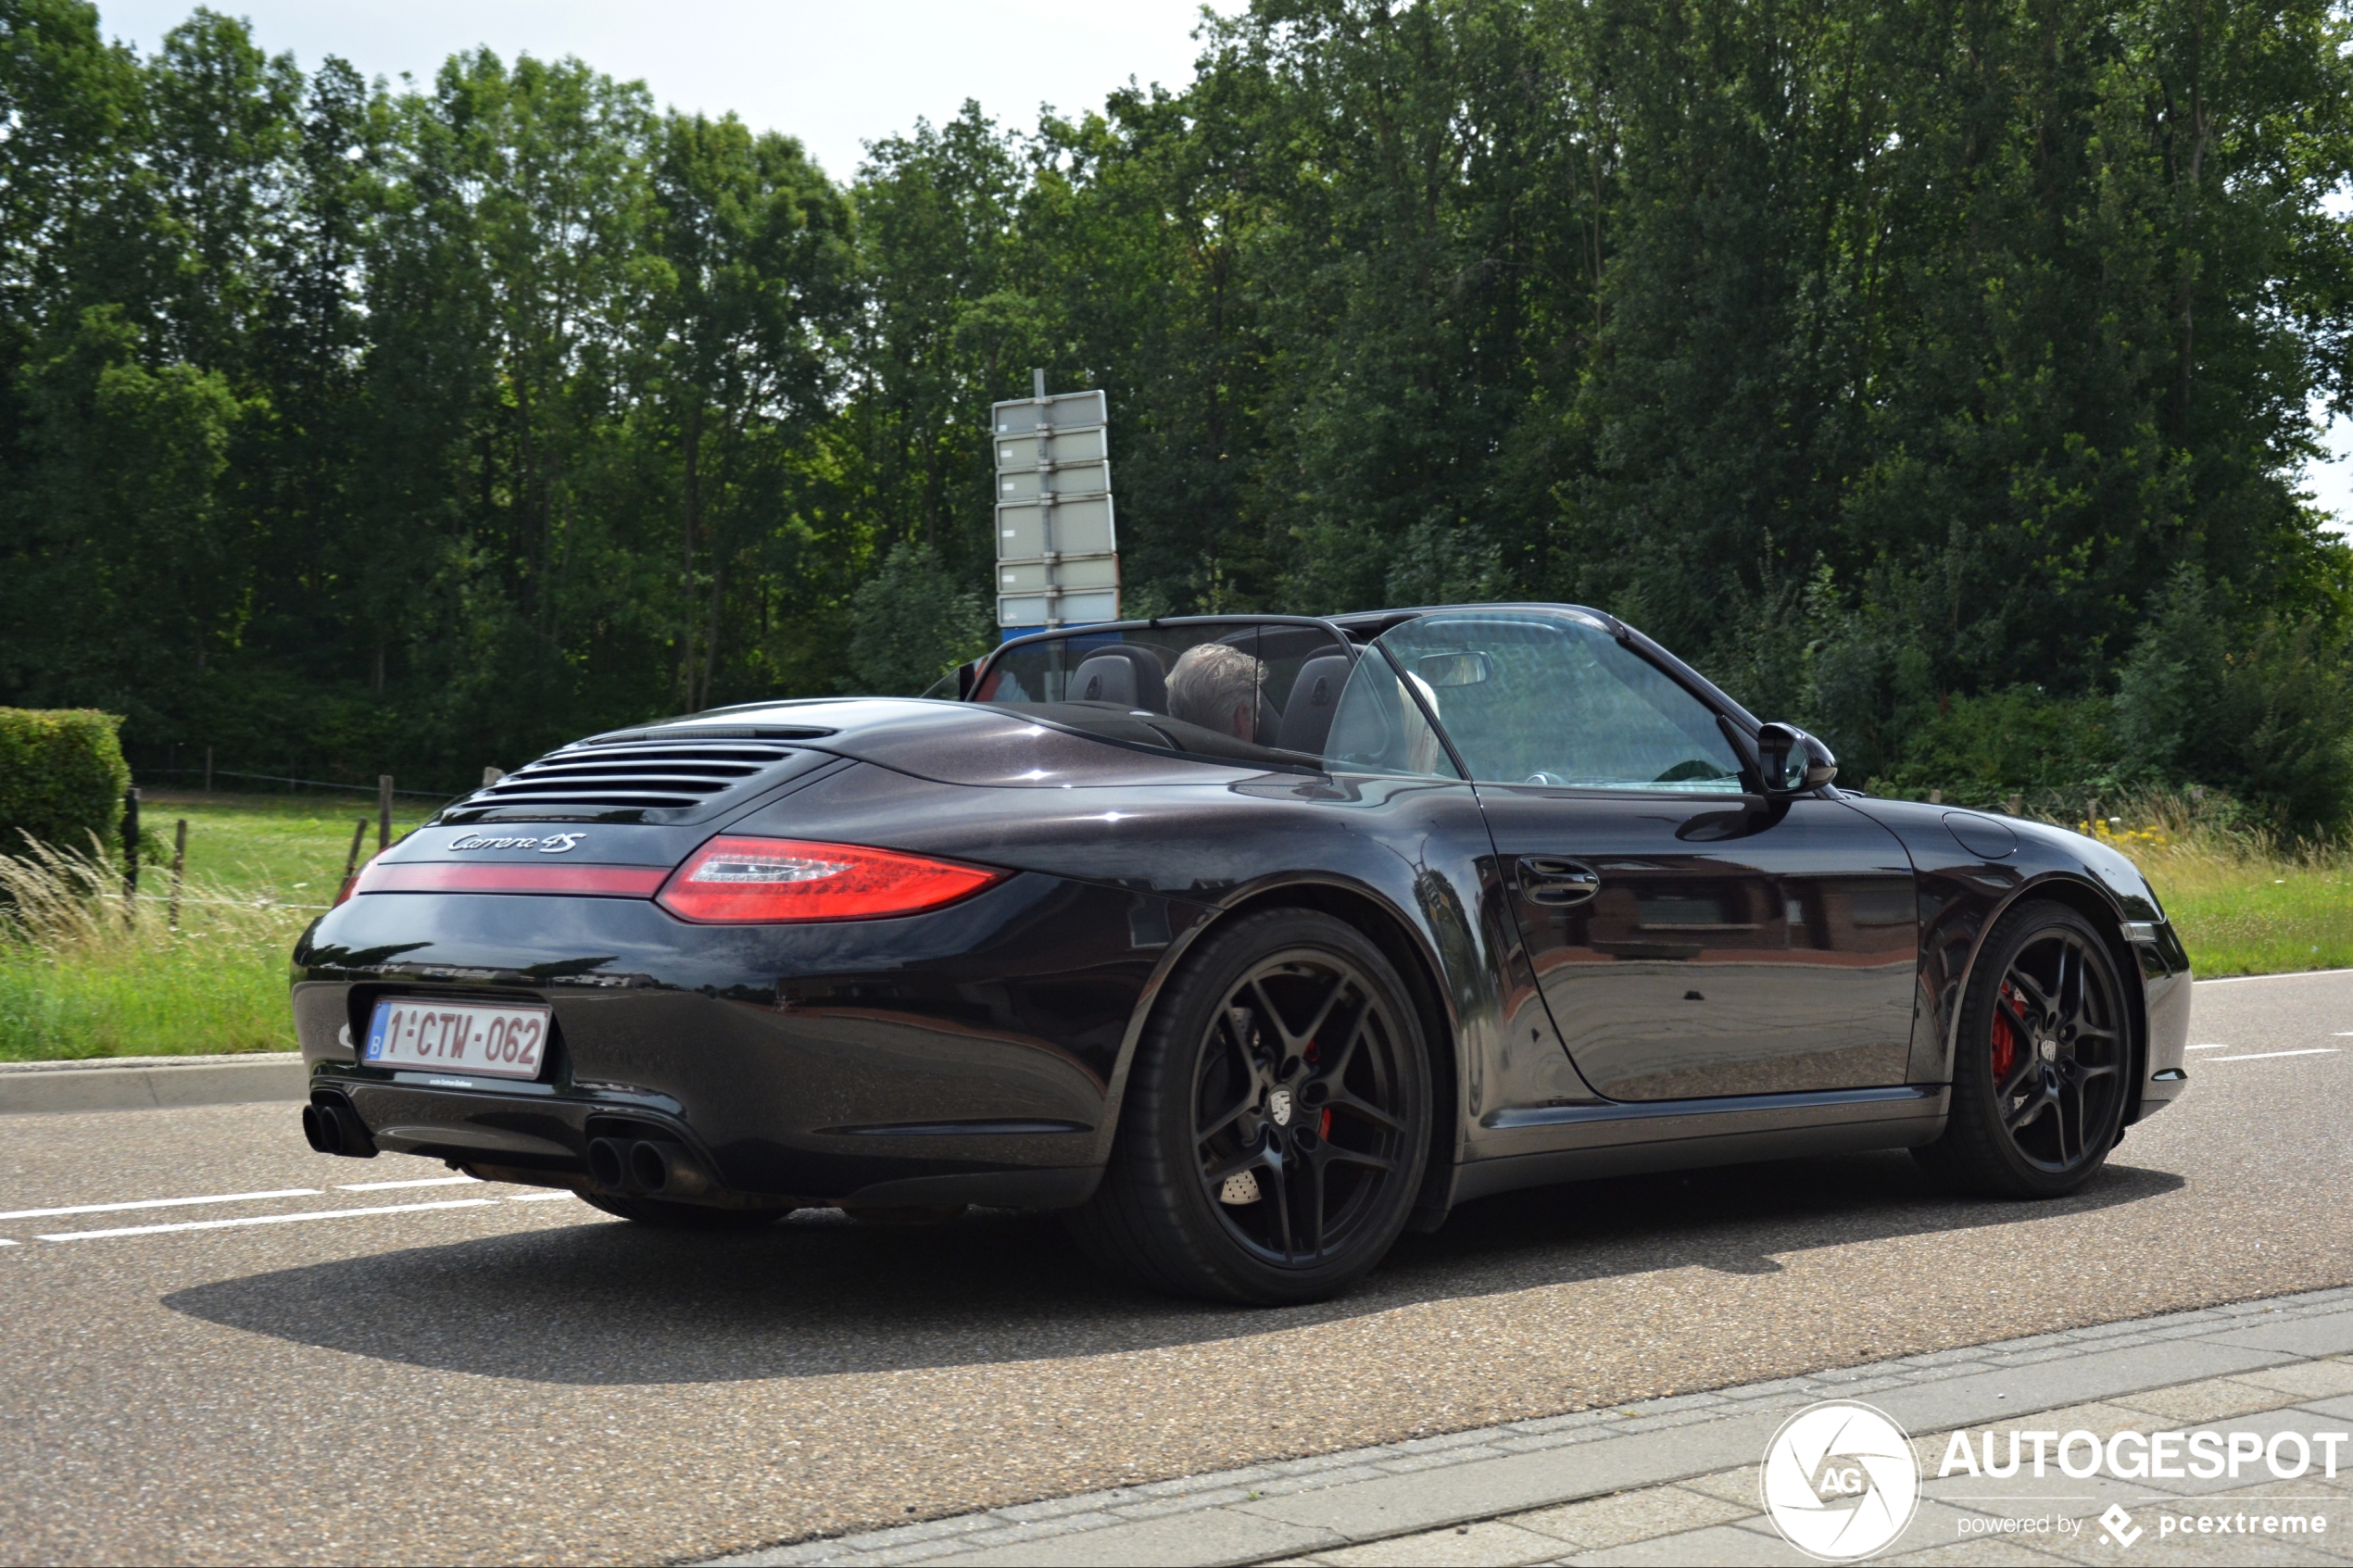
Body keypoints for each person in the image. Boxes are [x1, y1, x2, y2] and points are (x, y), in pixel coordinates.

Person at [1165, 642, 1265, 741]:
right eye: (1256, 715)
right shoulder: (1259, 757)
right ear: (1241, 718)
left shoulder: (1155, 752)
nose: (1257, 722)